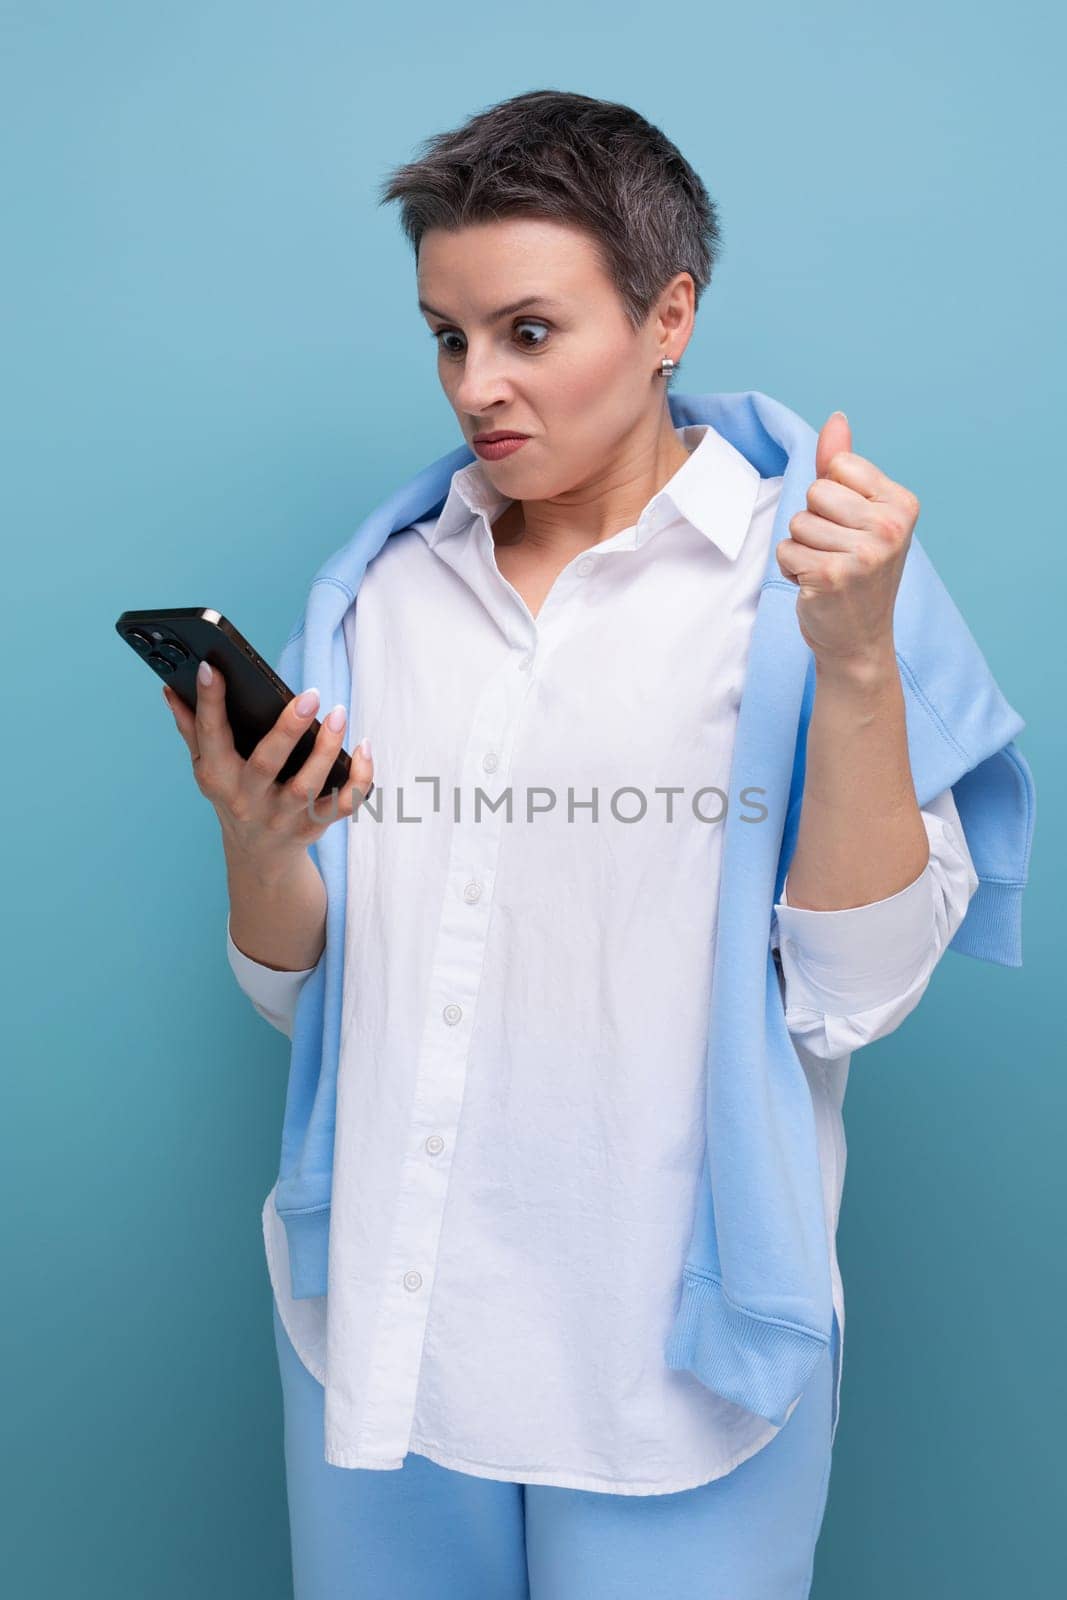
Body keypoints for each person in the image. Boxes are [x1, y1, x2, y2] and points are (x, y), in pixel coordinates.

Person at [163, 89, 1030, 1599]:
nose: (475, 387)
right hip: (386, 1333)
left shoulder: (816, 585)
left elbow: (857, 993)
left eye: (528, 332)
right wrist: (259, 836)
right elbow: (305, 996)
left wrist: (860, 667)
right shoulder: (380, 599)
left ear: (668, 313)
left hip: (673, 1369)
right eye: (447, 335)